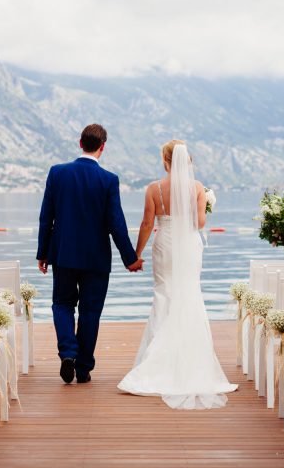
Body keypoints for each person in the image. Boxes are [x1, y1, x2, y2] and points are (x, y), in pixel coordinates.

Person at [118, 140, 237, 409]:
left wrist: (136, 254)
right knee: (189, 295)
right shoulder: (196, 188)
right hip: (189, 246)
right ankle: (189, 363)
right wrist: (204, 205)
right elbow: (200, 223)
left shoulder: (153, 189)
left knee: (164, 295)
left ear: (165, 160)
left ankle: (155, 363)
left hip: (165, 244)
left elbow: (148, 223)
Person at [37, 124, 143, 384]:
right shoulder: (108, 180)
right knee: (90, 311)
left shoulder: (57, 173)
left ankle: (68, 354)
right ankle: (83, 368)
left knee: (62, 304)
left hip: (62, 254)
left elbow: (46, 217)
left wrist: (43, 252)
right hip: (96, 258)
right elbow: (116, 223)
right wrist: (130, 259)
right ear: (102, 147)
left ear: (80, 143)